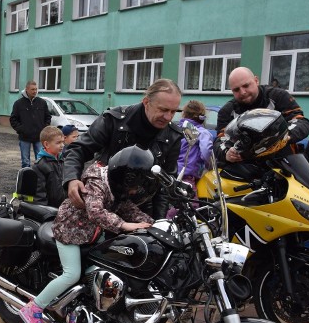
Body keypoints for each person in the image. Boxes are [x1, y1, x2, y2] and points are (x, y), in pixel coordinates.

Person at [19, 146, 156, 323]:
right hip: (70, 231)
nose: (134, 192)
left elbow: (128, 208)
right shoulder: (96, 181)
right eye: (133, 187)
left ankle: (79, 308)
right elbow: (95, 211)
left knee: (100, 268)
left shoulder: (118, 187)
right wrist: (124, 225)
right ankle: (33, 308)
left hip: (91, 234)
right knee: (72, 274)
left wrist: (153, 224)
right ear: (124, 177)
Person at [64, 78, 183, 219]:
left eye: (173, 112)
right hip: (103, 201)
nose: (168, 117)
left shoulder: (173, 135)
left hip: (143, 207)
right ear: (146, 102)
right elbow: (79, 148)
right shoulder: (114, 119)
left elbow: (166, 182)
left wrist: (159, 222)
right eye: (163, 110)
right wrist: (71, 179)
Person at [214, 67, 309, 164]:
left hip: (284, 164)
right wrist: (227, 153)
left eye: (246, 85)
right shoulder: (226, 111)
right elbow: (221, 140)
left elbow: (301, 121)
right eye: (236, 89)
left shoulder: (278, 96)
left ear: (256, 80)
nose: (242, 92)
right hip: (247, 169)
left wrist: (284, 136)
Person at [166, 100, 213, 218]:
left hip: (171, 171)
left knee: (171, 199)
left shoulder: (177, 128)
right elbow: (206, 151)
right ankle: (168, 222)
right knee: (190, 205)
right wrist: (209, 165)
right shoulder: (201, 132)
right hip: (187, 174)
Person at [10, 80, 52, 168]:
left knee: (41, 160)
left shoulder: (42, 102)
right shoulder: (18, 104)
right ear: (27, 89)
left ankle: (39, 178)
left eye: (36, 89)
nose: (35, 91)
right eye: (32, 89)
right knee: (25, 162)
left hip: (39, 137)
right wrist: (21, 129)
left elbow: (48, 116)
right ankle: (26, 179)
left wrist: (44, 128)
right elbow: (13, 119)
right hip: (24, 137)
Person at [32, 126, 66, 207]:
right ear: (46, 144)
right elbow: (39, 195)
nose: (62, 145)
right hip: (49, 209)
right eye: (58, 143)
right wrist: (45, 213)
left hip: (63, 207)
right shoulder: (39, 166)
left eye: (63, 142)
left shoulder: (63, 161)